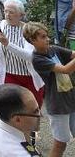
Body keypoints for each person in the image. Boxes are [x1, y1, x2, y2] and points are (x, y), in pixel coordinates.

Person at [24, 21, 75, 157]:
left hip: (71, 100)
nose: (47, 39)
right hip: (58, 106)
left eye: (47, 36)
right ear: (32, 40)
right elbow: (65, 70)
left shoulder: (53, 49)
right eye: (42, 37)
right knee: (60, 144)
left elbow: (72, 54)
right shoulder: (37, 59)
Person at [0, 0, 44, 106]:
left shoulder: (28, 29)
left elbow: (30, 56)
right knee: (12, 108)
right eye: (5, 11)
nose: (7, 15)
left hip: (29, 76)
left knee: (32, 108)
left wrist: (8, 44)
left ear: (21, 15)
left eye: (11, 12)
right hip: (9, 75)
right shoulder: (0, 26)